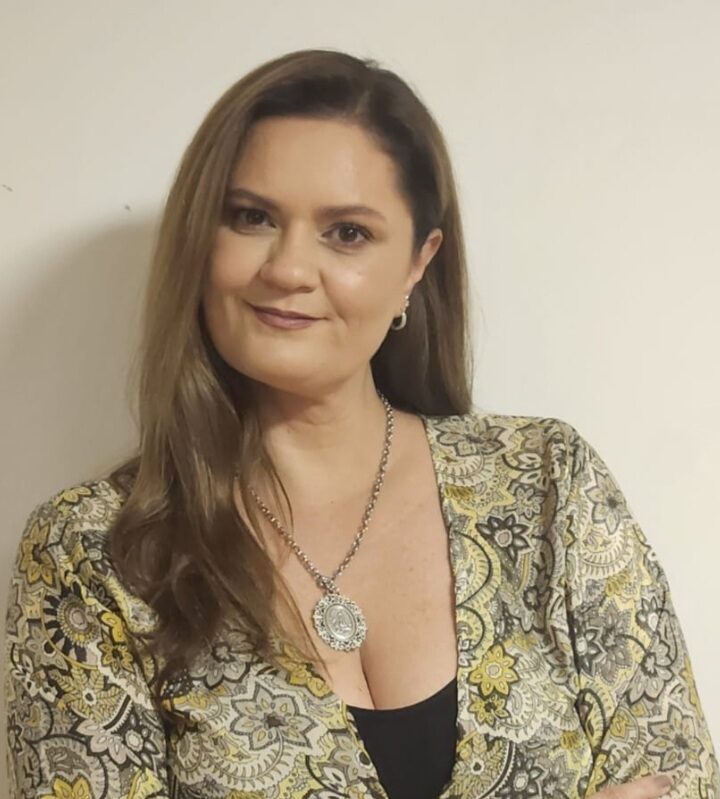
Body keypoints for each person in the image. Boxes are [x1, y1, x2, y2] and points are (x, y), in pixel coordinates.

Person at [4, 48, 718, 799]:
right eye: (251, 217)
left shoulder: (546, 483)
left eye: (346, 232)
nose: (287, 268)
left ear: (418, 262)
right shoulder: (95, 554)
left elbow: (677, 780)